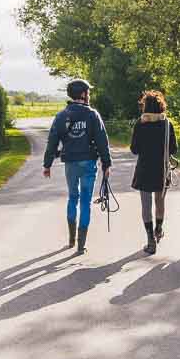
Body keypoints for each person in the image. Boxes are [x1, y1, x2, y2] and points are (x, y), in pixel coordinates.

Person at [43, 79, 112, 255]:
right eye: (88, 92)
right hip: (89, 162)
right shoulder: (92, 115)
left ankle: (71, 240)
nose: (89, 95)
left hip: (70, 163)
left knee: (73, 197)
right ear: (82, 94)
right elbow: (102, 141)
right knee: (85, 201)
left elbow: (52, 141)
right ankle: (81, 245)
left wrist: (47, 164)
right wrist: (107, 163)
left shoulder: (62, 115)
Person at [129, 89, 179, 255]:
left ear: (145, 106)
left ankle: (150, 239)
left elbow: (134, 149)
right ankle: (159, 228)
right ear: (161, 106)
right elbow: (173, 148)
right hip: (161, 168)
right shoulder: (167, 124)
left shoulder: (140, 123)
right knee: (160, 200)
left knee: (146, 204)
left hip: (144, 168)